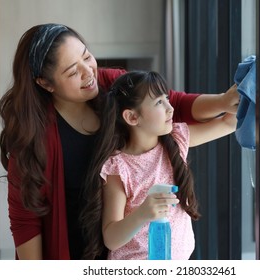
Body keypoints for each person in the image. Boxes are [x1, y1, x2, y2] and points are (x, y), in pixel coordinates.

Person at [0, 23, 240, 260]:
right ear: (45, 83)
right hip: (73, 253)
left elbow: (171, 104)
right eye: (72, 72)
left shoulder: (111, 87)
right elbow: (25, 220)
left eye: (87, 56)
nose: (88, 72)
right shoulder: (32, 135)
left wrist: (223, 102)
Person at [80, 70, 237, 260]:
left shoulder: (177, 139)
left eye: (167, 99)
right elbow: (111, 238)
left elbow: (228, 123)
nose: (170, 108)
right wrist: (142, 214)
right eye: (159, 103)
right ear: (132, 117)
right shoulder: (118, 167)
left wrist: (247, 90)